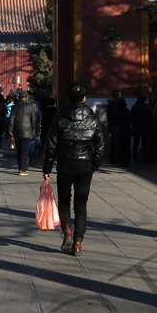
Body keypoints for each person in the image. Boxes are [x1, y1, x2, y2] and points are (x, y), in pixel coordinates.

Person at [42, 82, 107, 255]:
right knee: (81, 203)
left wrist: (46, 168)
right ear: (84, 98)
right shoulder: (92, 118)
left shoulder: (59, 117)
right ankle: (78, 242)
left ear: (67, 98)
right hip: (85, 165)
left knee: (64, 201)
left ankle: (67, 231)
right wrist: (94, 165)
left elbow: (51, 145)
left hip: (65, 164)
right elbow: (100, 145)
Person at [10, 88, 42, 176]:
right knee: (25, 150)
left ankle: (20, 166)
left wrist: (10, 130)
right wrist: (34, 129)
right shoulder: (30, 106)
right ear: (27, 98)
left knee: (19, 150)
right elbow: (33, 119)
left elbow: (11, 119)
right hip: (27, 131)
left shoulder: (14, 107)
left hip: (17, 131)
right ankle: (23, 169)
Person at [129, 91, 152, 166]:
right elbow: (149, 118)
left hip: (136, 126)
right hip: (145, 126)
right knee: (145, 143)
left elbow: (131, 117)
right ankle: (145, 158)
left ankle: (135, 158)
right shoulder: (146, 108)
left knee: (136, 143)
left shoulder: (134, 107)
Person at [107, 93, 130, 168]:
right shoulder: (128, 111)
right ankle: (126, 160)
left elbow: (112, 121)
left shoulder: (115, 112)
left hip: (118, 130)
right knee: (126, 146)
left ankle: (120, 160)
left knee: (119, 146)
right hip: (127, 129)